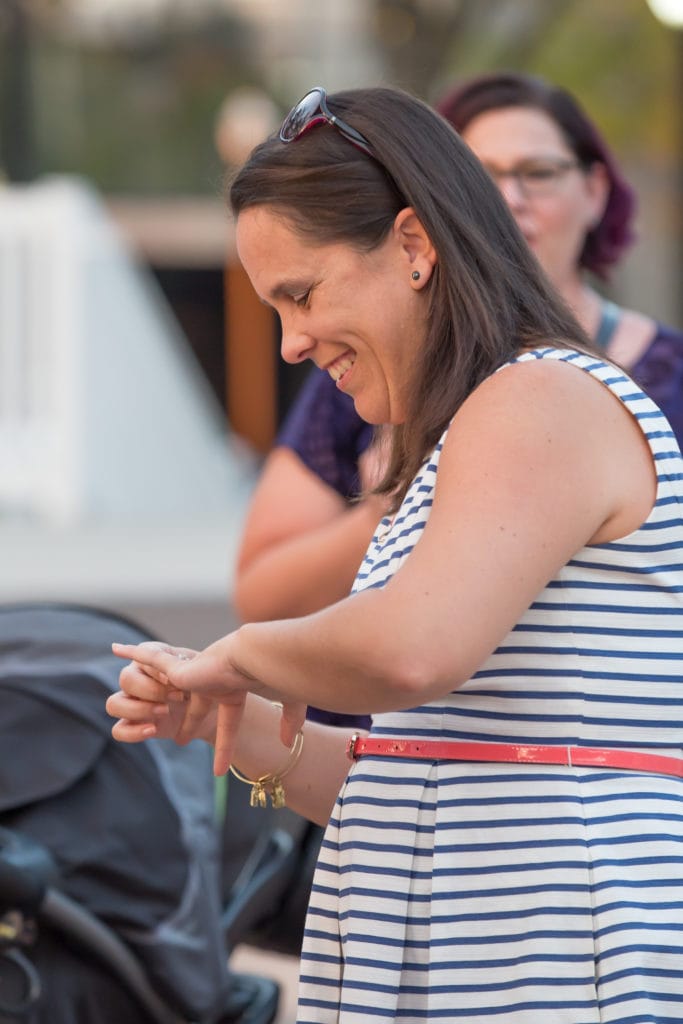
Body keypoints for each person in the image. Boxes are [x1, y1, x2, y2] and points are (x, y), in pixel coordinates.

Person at [106, 84, 683, 1022]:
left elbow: (415, 649)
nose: (290, 343)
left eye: (301, 295)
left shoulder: (541, 396)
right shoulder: (469, 433)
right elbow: (421, 776)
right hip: (475, 958)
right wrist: (233, 717)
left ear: (415, 247)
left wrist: (241, 651)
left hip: (554, 965)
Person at [233, 71, 683, 629]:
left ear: (595, 191)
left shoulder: (546, 384)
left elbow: (418, 651)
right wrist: (392, 499)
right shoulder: (367, 366)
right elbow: (264, 593)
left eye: (538, 173)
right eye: (482, 174)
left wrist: (233, 665)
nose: (509, 200)